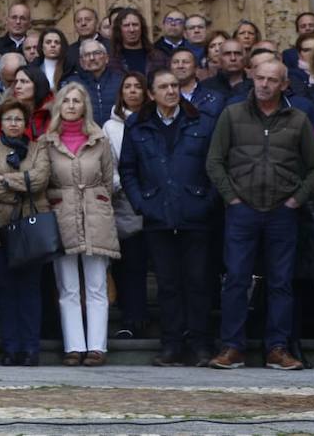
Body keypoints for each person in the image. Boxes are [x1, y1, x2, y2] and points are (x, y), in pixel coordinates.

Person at [207, 59, 314, 371]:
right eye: (260, 78)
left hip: (282, 212)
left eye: (272, 80)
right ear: (252, 79)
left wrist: (295, 201)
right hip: (242, 211)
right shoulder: (232, 115)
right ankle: (232, 347)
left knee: (281, 283)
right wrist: (231, 198)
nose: (265, 84)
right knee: (235, 280)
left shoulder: (298, 120)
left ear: (285, 84)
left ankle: (277, 348)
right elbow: (214, 161)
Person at [119, 70, 217, 367]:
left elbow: (215, 166)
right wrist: (141, 203)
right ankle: (171, 343)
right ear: (151, 93)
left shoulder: (201, 121)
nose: (171, 91)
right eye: (164, 87)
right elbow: (128, 170)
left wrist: (207, 202)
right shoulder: (138, 125)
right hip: (157, 216)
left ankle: (199, 343)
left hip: (195, 214)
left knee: (198, 282)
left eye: (175, 86)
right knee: (168, 284)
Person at [41, 82, 118, 367]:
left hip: (95, 215)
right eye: (67, 101)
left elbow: (108, 180)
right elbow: (43, 179)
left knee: (97, 284)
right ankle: (74, 346)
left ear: (85, 106)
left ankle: (97, 347)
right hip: (62, 215)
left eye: (77, 101)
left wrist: (96, 201)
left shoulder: (99, 140)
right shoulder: (47, 142)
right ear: (59, 106)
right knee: (68, 286)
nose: (72, 105)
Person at [0, 99, 49, 366]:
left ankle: (30, 348)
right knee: (5, 290)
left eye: (18, 119)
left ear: (25, 123)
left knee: (29, 289)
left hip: (30, 229)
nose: (13, 124)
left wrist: (3, 179)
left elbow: (40, 180)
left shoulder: (38, 149)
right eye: (8, 119)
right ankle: (11, 348)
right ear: (0, 123)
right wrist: (21, 184)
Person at [100, 72, 149, 341]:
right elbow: (109, 165)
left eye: (137, 87)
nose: (132, 91)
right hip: (123, 204)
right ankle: (131, 318)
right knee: (128, 264)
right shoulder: (110, 126)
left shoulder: (152, 121)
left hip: (154, 201)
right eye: (127, 86)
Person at [65, 40, 123, 127]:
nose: (92, 58)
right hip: (86, 135)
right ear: (81, 62)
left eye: (96, 53)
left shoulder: (120, 80)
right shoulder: (72, 83)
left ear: (106, 58)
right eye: (87, 55)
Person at [108, 8, 153, 76]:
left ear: (142, 27)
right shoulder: (111, 60)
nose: (131, 30)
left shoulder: (157, 57)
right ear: (119, 30)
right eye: (126, 25)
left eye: (135, 25)